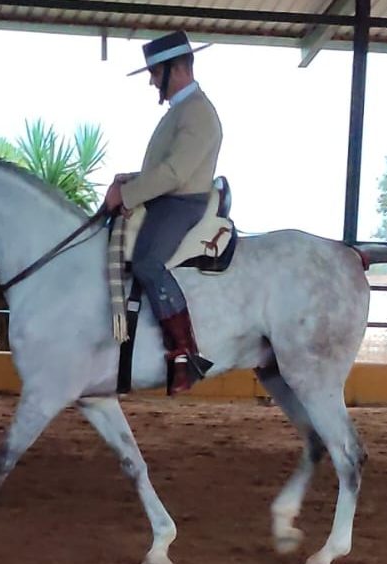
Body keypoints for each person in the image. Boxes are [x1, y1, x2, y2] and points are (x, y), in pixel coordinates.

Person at [103, 30, 223, 395]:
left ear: (176, 69)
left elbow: (175, 173)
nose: (153, 81)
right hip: (168, 196)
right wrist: (131, 181)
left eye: (155, 73)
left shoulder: (198, 113)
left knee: (147, 263)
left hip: (183, 201)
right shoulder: (182, 111)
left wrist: (126, 194)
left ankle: (184, 353)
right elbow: (163, 167)